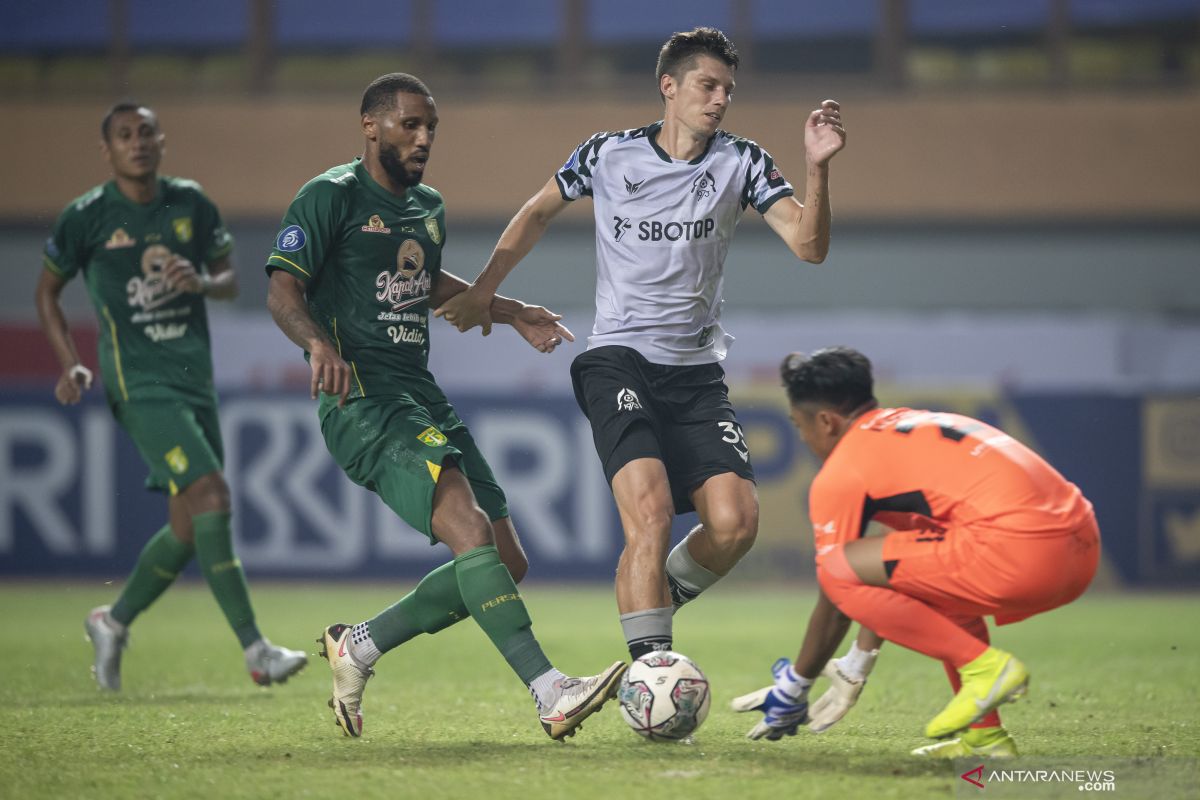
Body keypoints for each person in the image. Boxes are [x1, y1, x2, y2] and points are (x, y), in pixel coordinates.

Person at [435, 27, 846, 661]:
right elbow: (538, 211)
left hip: (696, 371)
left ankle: (652, 595)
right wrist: (486, 292)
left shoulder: (742, 162)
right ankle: (651, 668)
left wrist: (818, 169)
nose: (719, 101)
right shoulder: (608, 154)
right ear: (669, 86)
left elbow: (810, 247)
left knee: (736, 524)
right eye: (708, 86)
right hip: (617, 357)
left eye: (728, 90)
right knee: (650, 514)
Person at [264, 73, 625, 741]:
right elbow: (284, 292)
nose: (424, 137)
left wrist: (508, 309)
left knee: (505, 562)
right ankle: (551, 690)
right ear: (370, 126)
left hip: (418, 390)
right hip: (362, 396)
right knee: (467, 526)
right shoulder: (329, 196)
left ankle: (361, 645)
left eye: (431, 126)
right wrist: (318, 345)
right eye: (409, 125)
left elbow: (422, 282)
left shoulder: (427, 205)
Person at [35, 102, 308, 691]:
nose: (138, 143)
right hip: (138, 384)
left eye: (146, 133)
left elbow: (232, 279)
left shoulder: (191, 203)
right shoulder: (86, 217)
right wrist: (72, 363)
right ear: (107, 151)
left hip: (193, 379)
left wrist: (203, 282)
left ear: (162, 141)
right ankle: (256, 650)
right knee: (213, 496)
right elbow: (47, 293)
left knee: (188, 528)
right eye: (124, 136)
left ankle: (113, 619)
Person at [732, 346, 1101, 757]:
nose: (803, 438)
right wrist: (858, 661)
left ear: (826, 422)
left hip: (1023, 555)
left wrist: (796, 685)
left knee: (835, 570)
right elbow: (902, 573)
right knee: (937, 587)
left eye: (799, 426)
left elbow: (839, 590)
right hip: (1081, 549)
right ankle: (987, 739)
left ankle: (987, 668)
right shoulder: (918, 425)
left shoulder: (844, 469)